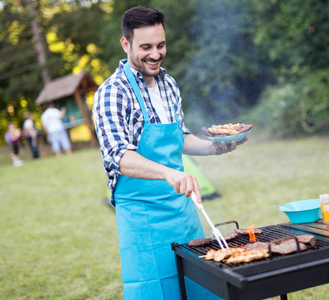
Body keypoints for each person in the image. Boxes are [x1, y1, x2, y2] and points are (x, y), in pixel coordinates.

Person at [92, 6, 248, 299]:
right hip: (143, 219)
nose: (155, 54)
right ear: (126, 44)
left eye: (160, 45)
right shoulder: (112, 92)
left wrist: (216, 148)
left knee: (202, 289)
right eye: (146, 47)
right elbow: (118, 156)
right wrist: (168, 172)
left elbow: (180, 138)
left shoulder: (169, 84)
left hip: (183, 211)